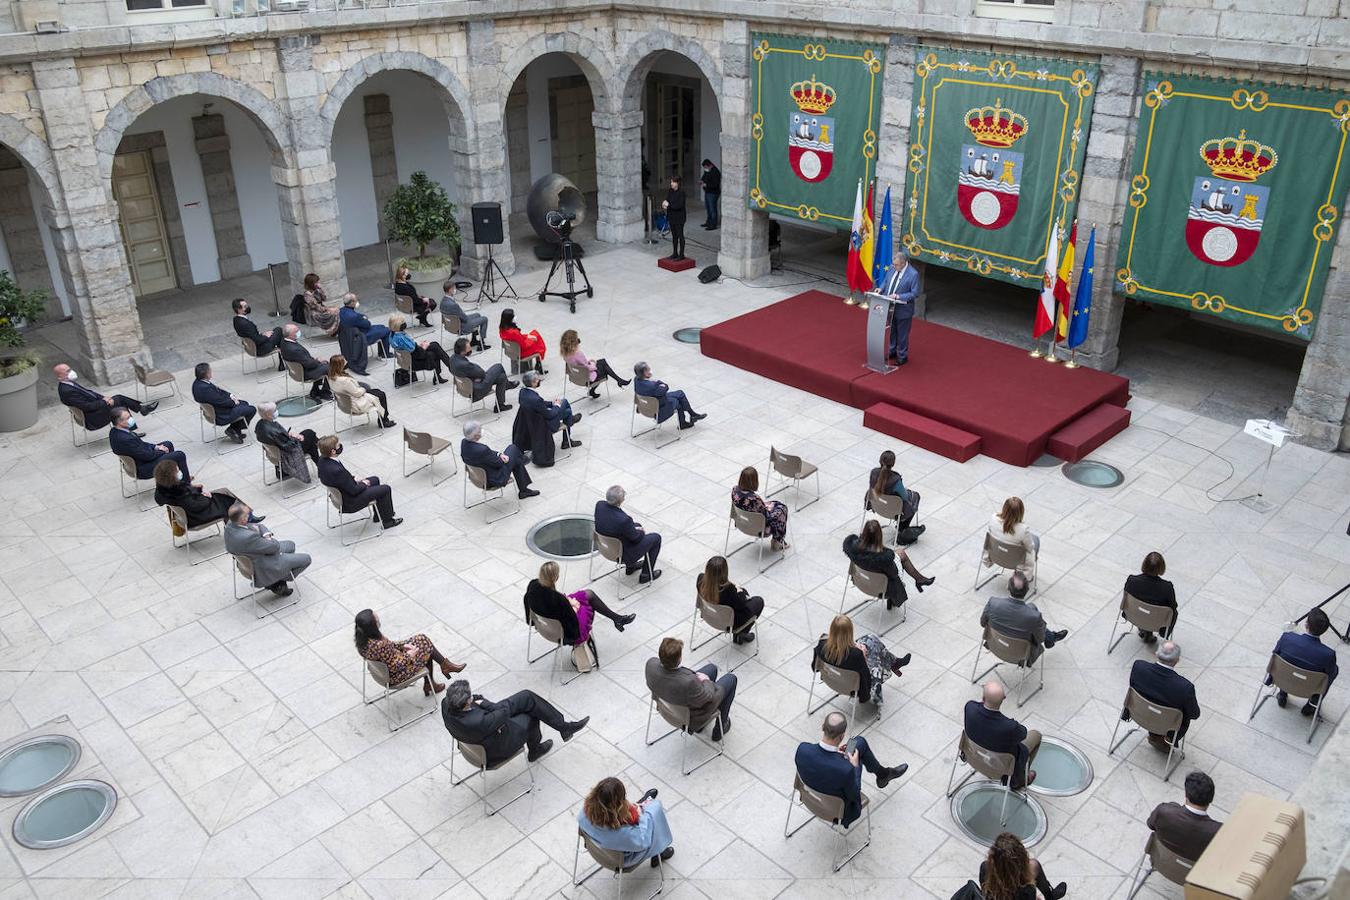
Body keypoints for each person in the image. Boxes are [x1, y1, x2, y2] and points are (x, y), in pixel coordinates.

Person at [794, 711, 909, 827]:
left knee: (858, 742)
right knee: (857, 745)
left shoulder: (802, 749)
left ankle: (883, 775)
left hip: (810, 800)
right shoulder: (846, 770)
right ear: (842, 736)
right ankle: (883, 775)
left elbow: (821, 761)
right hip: (840, 812)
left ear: (822, 727)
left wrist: (835, 754)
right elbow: (855, 796)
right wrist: (854, 766)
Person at [441, 678, 588, 764]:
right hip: (495, 748)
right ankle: (536, 749)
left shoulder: (446, 704)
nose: (472, 696)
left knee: (527, 697)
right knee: (531, 713)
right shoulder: (478, 721)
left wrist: (482, 704)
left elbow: (483, 702)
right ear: (465, 703)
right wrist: (484, 704)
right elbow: (503, 713)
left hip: (479, 738)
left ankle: (564, 727)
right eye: (470, 697)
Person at [524, 561, 635, 657]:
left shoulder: (533, 585)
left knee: (588, 594)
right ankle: (617, 619)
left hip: (545, 625)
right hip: (567, 631)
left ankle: (617, 619)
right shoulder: (557, 600)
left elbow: (532, 601)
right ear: (555, 577)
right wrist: (576, 606)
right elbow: (571, 620)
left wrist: (568, 601)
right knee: (589, 602)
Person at [355, 608, 464, 696]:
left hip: (386, 669)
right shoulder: (379, 645)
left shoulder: (363, 640)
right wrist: (409, 655)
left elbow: (390, 648)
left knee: (422, 639)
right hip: (396, 675)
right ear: (372, 625)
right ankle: (439, 673)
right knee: (427, 650)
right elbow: (394, 666)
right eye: (376, 619)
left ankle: (440, 671)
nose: (378, 619)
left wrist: (403, 645)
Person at [645, 636, 735, 740]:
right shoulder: (689, 683)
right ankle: (719, 729)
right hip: (690, 717)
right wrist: (706, 680)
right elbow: (709, 697)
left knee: (712, 668)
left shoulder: (650, 664)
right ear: (679, 659)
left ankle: (704, 727)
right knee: (731, 679)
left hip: (668, 703)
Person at [812, 614, 910, 705]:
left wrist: (857, 647)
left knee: (870, 638)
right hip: (852, 686)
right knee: (876, 656)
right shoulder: (855, 655)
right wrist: (862, 655)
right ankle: (893, 666)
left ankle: (895, 662)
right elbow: (865, 676)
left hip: (832, 679)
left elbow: (815, 666)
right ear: (849, 632)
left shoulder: (822, 644)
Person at [578, 778, 674, 870]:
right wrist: (645, 814)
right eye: (623, 799)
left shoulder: (582, 814)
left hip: (599, 852)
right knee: (654, 811)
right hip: (623, 859)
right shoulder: (623, 834)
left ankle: (641, 804)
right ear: (616, 806)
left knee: (643, 813)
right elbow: (644, 840)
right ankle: (660, 852)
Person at [223, 501, 310, 597]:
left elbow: (257, 526)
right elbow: (274, 546)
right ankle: (277, 581)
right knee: (306, 559)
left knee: (291, 545)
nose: (250, 517)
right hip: (263, 564)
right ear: (243, 520)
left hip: (251, 558)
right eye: (248, 515)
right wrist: (269, 538)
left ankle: (277, 579)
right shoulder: (248, 537)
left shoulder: (231, 524)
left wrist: (265, 534)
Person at [843, 520, 935, 610]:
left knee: (899, 554)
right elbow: (894, 575)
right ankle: (919, 579)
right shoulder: (884, 558)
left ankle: (919, 579)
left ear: (864, 533)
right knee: (901, 555)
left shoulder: (852, 548)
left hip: (862, 582)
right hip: (884, 588)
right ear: (879, 536)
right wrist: (896, 559)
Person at [317, 434, 402, 530]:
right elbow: (354, 490)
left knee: (375, 479)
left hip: (342, 493)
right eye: (338, 445)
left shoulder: (322, 460)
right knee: (386, 489)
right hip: (351, 501)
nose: (340, 445)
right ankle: (388, 521)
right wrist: (364, 483)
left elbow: (340, 480)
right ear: (333, 451)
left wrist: (353, 478)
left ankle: (378, 515)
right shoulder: (336, 470)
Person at [964, 681, 1039, 788]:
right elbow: (1023, 734)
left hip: (973, 759)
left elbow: (978, 706)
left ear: (983, 698)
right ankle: (1020, 780)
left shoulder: (969, 708)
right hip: (1000, 770)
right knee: (1036, 735)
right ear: (1004, 698)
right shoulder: (1009, 727)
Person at [1127, 641, 1200, 750]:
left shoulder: (1139, 667)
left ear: (1157, 654)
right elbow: (1194, 714)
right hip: (1167, 727)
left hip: (1138, 715)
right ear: (1177, 660)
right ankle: (1161, 738)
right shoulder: (1184, 687)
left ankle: (1155, 735)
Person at [980, 572, 1068, 663]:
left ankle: (1050, 638)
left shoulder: (993, 603)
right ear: (1027, 590)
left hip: (995, 646)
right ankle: (1051, 638)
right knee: (1032, 610)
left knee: (1032, 611)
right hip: (1020, 655)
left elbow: (983, 623)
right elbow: (1040, 639)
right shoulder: (1034, 617)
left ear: (1007, 587)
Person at [1270, 608, 1338, 716]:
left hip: (1282, 679)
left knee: (1283, 660)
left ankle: (1282, 694)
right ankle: (1312, 704)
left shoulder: (1287, 638)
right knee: (1334, 670)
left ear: (1306, 625)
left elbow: (1275, 654)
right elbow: (1329, 674)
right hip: (1308, 688)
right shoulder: (1328, 655)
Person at [152, 459, 256, 527]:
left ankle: (247, 515)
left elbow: (188, 496)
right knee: (226, 499)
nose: (180, 471)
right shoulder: (179, 492)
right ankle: (245, 518)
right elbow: (197, 505)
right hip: (196, 517)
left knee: (224, 491)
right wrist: (207, 497)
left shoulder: (164, 488)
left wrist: (194, 489)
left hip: (189, 513)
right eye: (177, 470)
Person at [1147, 771, 1222, 863]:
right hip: (1188, 873)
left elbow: (1150, 824)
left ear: (1186, 794)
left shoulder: (1164, 811)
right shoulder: (1218, 831)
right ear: (1211, 799)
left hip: (1161, 862)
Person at [54, 363, 157, 430]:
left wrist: (103, 398)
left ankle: (134, 424)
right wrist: (105, 402)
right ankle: (139, 414)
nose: (71, 372)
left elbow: (89, 393)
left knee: (119, 402)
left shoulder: (69, 383)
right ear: (60, 376)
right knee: (119, 400)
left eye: (70, 369)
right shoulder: (66, 390)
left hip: (96, 409)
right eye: (67, 371)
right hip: (92, 418)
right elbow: (86, 406)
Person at [595, 485, 661, 583]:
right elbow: (637, 539)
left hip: (605, 547)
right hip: (622, 554)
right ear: (620, 500)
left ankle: (631, 567)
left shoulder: (599, 505)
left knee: (636, 525)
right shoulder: (624, 520)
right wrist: (641, 531)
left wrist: (635, 528)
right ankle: (646, 575)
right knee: (656, 538)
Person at [978, 832, 1067, 900]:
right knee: (1035, 865)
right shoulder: (1027, 890)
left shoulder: (985, 868)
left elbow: (985, 891)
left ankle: (1050, 895)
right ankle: (1050, 896)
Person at [460, 420, 537, 498]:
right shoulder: (482, 450)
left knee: (516, 459)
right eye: (480, 430)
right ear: (476, 436)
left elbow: (488, 454)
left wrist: (499, 454)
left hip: (478, 478)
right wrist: (503, 458)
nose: (481, 431)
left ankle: (521, 462)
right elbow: (499, 463)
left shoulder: (464, 443)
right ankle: (522, 462)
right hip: (496, 479)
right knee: (513, 448)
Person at [696, 556, 764, 644]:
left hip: (709, 617)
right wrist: (740, 591)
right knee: (758, 601)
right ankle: (742, 633)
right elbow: (742, 604)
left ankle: (741, 634)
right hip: (729, 623)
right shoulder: (729, 590)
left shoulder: (700, 580)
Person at [109, 406, 189, 480]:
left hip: (140, 460)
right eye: (128, 418)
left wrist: (156, 447)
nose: (131, 419)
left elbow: (141, 444)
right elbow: (147, 456)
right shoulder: (125, 439)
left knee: (168, 444)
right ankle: (186, 484)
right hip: (142, 468)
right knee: (179, 455)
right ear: (120, 422)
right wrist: (162, 451)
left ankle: (171, 479)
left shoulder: (115, 431)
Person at [866, 449, 924, 544]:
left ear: (880, 461)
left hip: (877, 506)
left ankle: (902, 528)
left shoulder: (873, 473)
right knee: (915, 497)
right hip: (893, 511)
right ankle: (902, 528)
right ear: (893, 464)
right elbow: (905, 497)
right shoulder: (895, 480)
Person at [191, 362, 256, 444]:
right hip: (221, 414)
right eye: (210, 370)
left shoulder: (198, 383)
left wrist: (230, 395)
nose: (211, 371)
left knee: (244, 403)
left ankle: (235, 430)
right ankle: (235, 429)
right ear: (207, 374)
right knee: (251, 409)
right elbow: (220, 402)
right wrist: (234, 402)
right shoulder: (205, 389)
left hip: (215, 409)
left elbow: (218, 391)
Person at [255, 401, 318, 483]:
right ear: (268, 414)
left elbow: (278, 439)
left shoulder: (260, 425)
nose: (276, 412)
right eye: (274, 411)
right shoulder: (273, 430)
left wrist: (288, 435)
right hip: (285, 454)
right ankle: (321, 459)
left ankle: (319, 446)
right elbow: (290, 446)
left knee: (310, 439)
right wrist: (296, 438)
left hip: (273, 453)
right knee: (310, 435)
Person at [450, 337, 516, 413]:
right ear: (463, 351)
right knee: (498, 366)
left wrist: (471, 378)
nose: (471, 348)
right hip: (479, 388)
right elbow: (481, 373)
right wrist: (474, 378)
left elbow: (455, 372)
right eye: (468, 347)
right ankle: (508, 385)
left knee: (502, 377)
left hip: (466, 387)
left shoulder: (452, 359)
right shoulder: (465, 365)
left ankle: (500, 405)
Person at [633, 361, 705, 430]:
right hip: (659, 407)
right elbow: (665, 387)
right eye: (648, 369)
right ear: (645, 372)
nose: (650, 370)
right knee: (678, 401)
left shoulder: (636, 380)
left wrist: (653, 382)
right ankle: (684, 421)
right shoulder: (652, 386)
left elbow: (659, 391)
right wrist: (657, 382)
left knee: (680, 393)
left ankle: (692, 415)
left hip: (646, 406)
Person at [328, 355, 395, 429]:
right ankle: (384, 420)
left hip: (344, 404)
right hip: (355, 404)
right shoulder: (345, 381)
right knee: (381, 394)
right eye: (344, 361)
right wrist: (363, 389)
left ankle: (383, 419)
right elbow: (357, 393)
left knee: (377, 391)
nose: (346, 362)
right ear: (340, 365)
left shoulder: (331, 377)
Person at [1124, 551, 1178, 643]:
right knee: (1173, 612)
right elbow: (1173, 606)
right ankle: (1159, 633)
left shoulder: (1132, 580)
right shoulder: (1167, 587)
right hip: (1156, 621)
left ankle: (1143, 628)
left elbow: (1125, 600)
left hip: (1134, 615)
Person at [732, 466, 789, 550]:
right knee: (782, 509)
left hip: (741, 522)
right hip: (758, 528)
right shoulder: (754, 499)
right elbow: (766, 517)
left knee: (776, 504)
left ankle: (777, 540)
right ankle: (777, 541)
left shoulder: (735, 490)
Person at [560, 329, 629, 397]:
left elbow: (580, 365)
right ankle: (619, 381)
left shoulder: (564, 354)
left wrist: (589, 362)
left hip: (575, 377)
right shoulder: (578, 354)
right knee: (603, 365)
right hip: (587, 378)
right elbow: (588, 368)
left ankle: (618, 381)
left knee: (602, 362)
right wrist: (593, 363)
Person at [519, 370, 581, 445]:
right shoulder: (536, 399)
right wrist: (557, 406)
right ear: (533, 382)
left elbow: (540, 404)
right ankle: (570, 424)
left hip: (533, 423)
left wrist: (551, 403)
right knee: (564, 402)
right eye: (538, 380)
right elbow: (549, 415)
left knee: (567, 412)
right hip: (545, 426)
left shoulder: (523, 392)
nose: (539, 381)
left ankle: (567, 437)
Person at [878, 249, 919, 365]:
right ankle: (892, 351)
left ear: (903, 263)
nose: (893, 266)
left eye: (896, 265)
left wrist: (898, 296)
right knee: (892, 331)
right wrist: (880, 288)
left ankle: (902, 356)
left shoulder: (913, 274)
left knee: (902, 334)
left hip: (903, 310)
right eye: (893, 264)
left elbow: (915, 293)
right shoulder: (892, 268)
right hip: (890, 307)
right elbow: (886, 281)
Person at [388, 313, 453, 384]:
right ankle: (447, 370)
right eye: (403, 322)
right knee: (435, 352)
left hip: (405, 360)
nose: (405, 323)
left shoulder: (392, 335)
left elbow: (410, 349)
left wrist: (419, 346)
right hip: (414, 362)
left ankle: (444, 371)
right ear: (398, 325)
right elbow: (419, 354)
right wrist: (424, 347)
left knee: (435, 345)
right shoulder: (401, 338)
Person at [987, 496, 1038, 581]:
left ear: (1004, 508)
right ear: (1021, 512)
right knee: (1036, 540)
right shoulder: (1023, 530)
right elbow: (1030, 548)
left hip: (996, 555)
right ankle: (1025, 577)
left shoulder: (993, 518)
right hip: (1015, 561)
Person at [278, 323, 332, 401]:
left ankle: (315, 390)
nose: (298, 332)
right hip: (305, 373)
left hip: (297, 370)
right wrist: (317, 360)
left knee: (323, 364)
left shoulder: (283, 342)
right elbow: (310, 364)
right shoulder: (295, 350)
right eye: (296, 331)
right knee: (330, 367)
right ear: (291, 335)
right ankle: (325, 392)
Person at [439, 279, 490, 350]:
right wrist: (469, 319)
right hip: (461, 326)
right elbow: (465, 319)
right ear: (450, 290)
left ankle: (474, 340)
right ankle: (481, 343)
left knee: (477, 315)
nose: (455, 290)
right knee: (484, 319)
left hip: (450, 325)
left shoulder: (442, 302)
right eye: (454, 288)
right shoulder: (453, 305)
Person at [339, 292, 391, 358]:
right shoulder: (354, 317)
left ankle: (382, 353)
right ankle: (385, 354)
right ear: (351, 303)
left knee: (382, 326)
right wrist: (364, 318)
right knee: (387, 330)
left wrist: (362, 317)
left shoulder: (341, 311)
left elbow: (357, 316)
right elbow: (368, 324)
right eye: (356, 300)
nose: (357, 302)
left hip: (351, 336)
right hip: (362, 336)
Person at [231, 297, 283, 362]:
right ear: (239, 310)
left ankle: (282, 362)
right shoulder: (246, 324)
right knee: (279, 330)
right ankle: (282, 360)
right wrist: (266, 336)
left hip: (250, 347)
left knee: (276, 332)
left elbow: (251, 336)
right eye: (245, 306)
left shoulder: (236, 320)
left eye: (246, 305)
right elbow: (257, 340)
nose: (247, 307)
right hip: (260, 349)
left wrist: (262, 334)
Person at [498, 308, 546, 373]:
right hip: (521, 352)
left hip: (510, 350)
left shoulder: (502, 329)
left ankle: (538, 363)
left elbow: (517, 339)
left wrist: (527, 336)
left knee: (534, 334)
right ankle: (538, 363)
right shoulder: (514, 332)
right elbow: (524, 345)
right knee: (538, 340)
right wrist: (531, 339)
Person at [661, 175, 687, 260]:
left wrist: (669, 205)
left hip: (679, 218)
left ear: (678, 183)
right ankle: (675, 253)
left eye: (673, 182)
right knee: (674, 236)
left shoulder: (681, 192)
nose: (671, 184)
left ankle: (681, 254)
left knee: (680, 235)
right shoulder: (670, 191)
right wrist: (665, 203)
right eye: (671, 182)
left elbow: (679, 205)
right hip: (672, 216)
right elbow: (668, 199)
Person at [699, 158, 721, 230]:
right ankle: (708, 222)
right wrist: (701, 181)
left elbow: (715, 184)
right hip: (708, 192)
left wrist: (706, 185)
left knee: (712, 209)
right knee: (708, 208)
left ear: (710, 165)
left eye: (705, 167)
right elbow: (704, 177)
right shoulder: (707, 171)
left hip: (713, 193)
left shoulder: (716, 172)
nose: (705, 169)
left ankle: (713, 224)